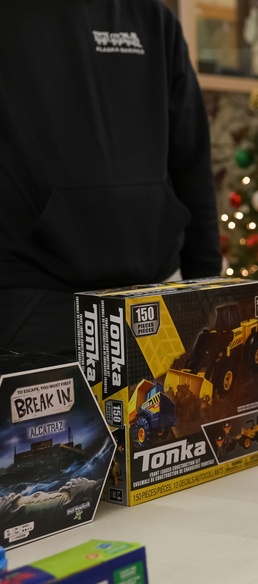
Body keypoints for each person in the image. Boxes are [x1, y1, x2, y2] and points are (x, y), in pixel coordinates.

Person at [0, 0, 222, 358]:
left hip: (153, 300)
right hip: (32, 306)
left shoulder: (152, 18)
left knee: (160, 411)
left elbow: (191, 161)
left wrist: (207, 285)